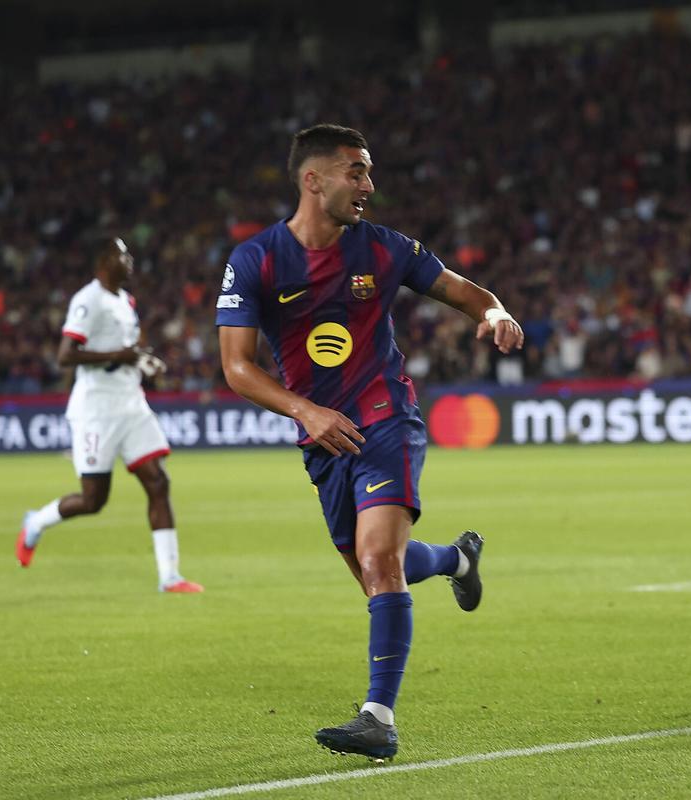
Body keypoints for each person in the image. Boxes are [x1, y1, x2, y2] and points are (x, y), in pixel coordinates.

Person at [216, 124, 523, 762]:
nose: (368, 185)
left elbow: (463, 292)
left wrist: (492, 312)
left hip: (386, 419)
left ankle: (378, 718)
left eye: (368, 172)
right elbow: (237, 367)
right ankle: (458, 560)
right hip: (323, 439)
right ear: (313, 179)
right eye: (355, 172)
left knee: (380, 559)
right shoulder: (257, 260)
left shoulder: (383, 249)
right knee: (379, 568)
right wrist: (306, 412)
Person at [16, 237, 203, 594]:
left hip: (131, 404)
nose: (130, 260)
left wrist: (143, 359)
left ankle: (169, 577)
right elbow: (65, 355)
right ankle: (35, 522)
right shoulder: (88, 300)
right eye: (123, 255)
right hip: (97, 410)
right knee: (93, 500)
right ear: (104, 261)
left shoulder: (125, 301)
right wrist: (118, 356)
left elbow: (124, 351)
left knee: (158, 482)